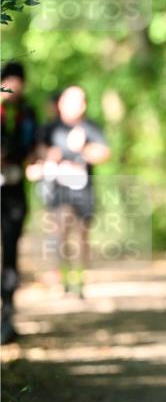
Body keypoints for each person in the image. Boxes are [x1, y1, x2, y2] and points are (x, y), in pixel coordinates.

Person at [34, 85, 110, 297]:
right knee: (59, 232)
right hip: (57, 188)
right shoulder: (50, 129)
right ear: (60, 104)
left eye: (79, 101)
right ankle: (62, 279)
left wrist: (83, 149)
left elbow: (104, 152)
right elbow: (37, 151)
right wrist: (51, 156)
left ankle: (79, 281)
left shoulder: (90, 127)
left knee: (82, 235)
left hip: (83, 189)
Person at [0, 61, 38, 344]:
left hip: (14, 191)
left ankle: (8, 315)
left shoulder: (28, 113)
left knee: (11, 251)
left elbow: (34, 145)